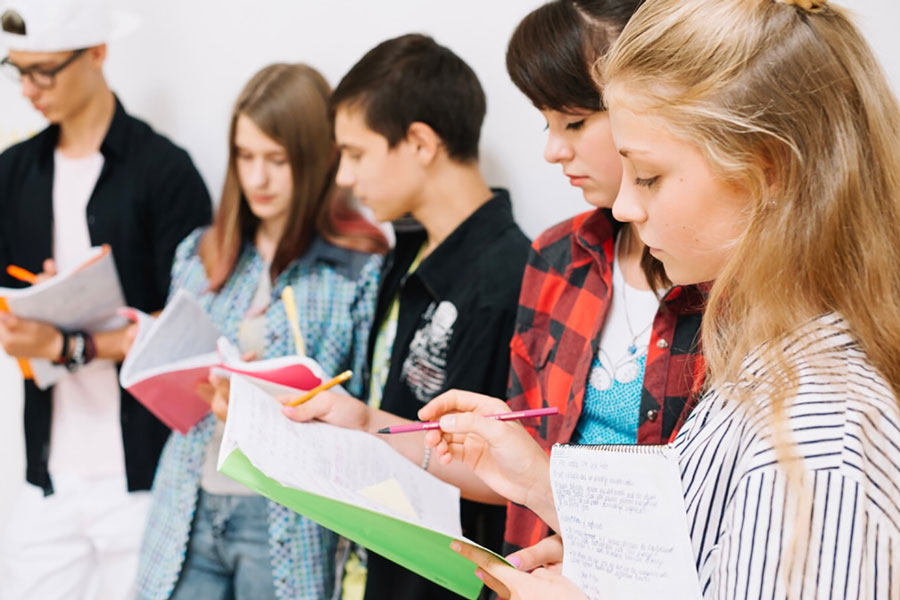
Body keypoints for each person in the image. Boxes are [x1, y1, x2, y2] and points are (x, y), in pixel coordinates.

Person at [419, 0, 900, 597]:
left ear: (767, 172)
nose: (625, 206)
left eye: (646, 176)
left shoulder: (819, 445)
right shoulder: (763, 357)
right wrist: (553, 499)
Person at [281, 34, 531, 600]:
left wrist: (369, 423)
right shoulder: (406, 250)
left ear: (419, 142)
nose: (344, 175)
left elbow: (497, 473)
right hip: (371, 567)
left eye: (356, 153)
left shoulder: (506, 277)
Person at [133, 63, 386, 600]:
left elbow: (363, 408)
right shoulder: (201, 254)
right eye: (245, 157)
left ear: (318, 161)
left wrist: (259, 403)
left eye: (278, 160)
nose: (258, 179)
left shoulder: (358, 267)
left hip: (283, 520)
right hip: (188, 501)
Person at [0, 0, 211, 597]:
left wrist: (68, 339)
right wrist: (27, 314)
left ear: (98, 53)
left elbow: (193, 337)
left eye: (45, 71)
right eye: (18, 70)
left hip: (145, 477)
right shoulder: (13, 174)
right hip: (49, 472)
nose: (29, 90)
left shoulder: (165, 173)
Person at [501, 0, 705, 555]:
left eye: (574, 121)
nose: (552, 150)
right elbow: (521, 472)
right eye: (546, 122)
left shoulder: (722, 274)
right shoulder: (556, 256)